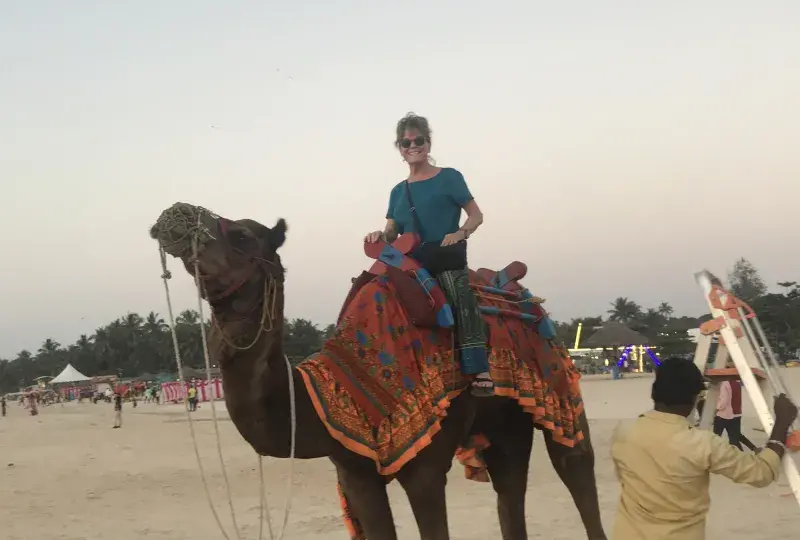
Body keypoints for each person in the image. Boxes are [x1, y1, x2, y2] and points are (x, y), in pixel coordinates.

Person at [364, 113, 492, 396]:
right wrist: (379, 236)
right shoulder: (398, 191)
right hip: (410, 262)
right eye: (405, 142)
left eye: (418, 140)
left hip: (444, 256)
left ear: (428, 143)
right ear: (399, 148)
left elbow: (476, 215)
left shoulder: (449, 177)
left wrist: (460, 233)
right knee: (375, 297)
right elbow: (391, 231)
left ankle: (478, 366)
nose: (412, 146)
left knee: (459, 295)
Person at [611, 357, 797, 540]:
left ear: (654, 392)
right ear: (695, 396)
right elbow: (761, 473)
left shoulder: (623, 432)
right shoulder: (702, 443)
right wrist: (781, 423)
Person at [714, 379, 757, 451]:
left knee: (716, 436)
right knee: (735, 437)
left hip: (723, 415)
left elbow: (724, 400)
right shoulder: (737, 383)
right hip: (736, 414)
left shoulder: (725, 383)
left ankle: (713, 453)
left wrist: (717, 408)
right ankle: (752, 449)